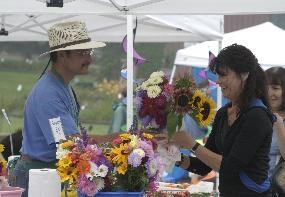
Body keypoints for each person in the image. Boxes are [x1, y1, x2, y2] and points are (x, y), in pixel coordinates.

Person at [10, 21, 116, 197]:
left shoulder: (60, 86)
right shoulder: (48, 93)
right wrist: (117, 139)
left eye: (89, 52)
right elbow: (69, 142)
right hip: (37, 177)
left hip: (48, 173)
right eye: (82, 53)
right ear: (61, 55)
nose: (89, 59)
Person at [170, 44, 274, 197]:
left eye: (223, 75)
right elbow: (204, 167)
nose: (218, 81)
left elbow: (229, 167)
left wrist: (190, 143)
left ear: (244, 75)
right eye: (217, 76)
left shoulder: (257, 116)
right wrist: (171, 155)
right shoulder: (223, 114)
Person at [265, 67, 285, 179]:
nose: (269, 93)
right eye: (265, 87)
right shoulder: (258, 115)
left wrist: (279, 125)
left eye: (275, 88)